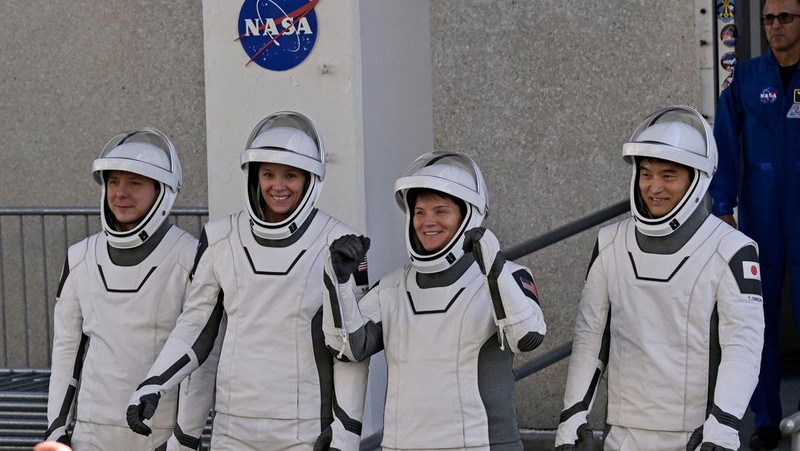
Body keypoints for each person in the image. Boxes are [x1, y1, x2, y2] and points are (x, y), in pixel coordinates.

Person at [126, 111, 370, 450]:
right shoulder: (220, 237)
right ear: (254, 177)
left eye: (290, 175)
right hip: (232, 429)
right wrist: (153, 385)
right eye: (268, 174)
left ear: (310, 179)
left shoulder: (340, 243)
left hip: (304, 432)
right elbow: (195, 327)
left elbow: (351, 353)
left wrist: (346, 434)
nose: (278, 186)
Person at [555, 106, 765, 450]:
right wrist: (573, 415)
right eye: (646, 174)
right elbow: (590, 337)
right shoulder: (610, 243)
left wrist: (725, 424)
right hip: (622, 434)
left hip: (697, 436)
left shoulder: (732, 249)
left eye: (669, 176)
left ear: (696, 180)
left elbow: (742, 347)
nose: (654, 187)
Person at [319, 151, 547, 450]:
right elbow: (348, 348)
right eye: (419, 212)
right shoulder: (392, 286)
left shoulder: (509, 276)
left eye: (441, 211)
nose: (427, 222)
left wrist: (494, 267)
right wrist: (338, 281)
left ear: (468, 216)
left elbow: (527, 338)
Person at [44, 129, 204, 450]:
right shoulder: (80, 257)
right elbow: (66, 352)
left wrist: (184, 439)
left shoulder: (191, 257)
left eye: (135, 182)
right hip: (90, 435)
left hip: (156, 435)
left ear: (161, 190)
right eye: (114, 181)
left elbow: (200, 359)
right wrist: (56, 429)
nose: (120, 193)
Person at [710, 0, 800, 448]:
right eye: (768, 18)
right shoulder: (745, 80)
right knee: (757, 323)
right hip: (759, 221)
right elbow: (724, 143)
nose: (775, 26)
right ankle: (766, 420)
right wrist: (722, 206)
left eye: (785, 17)